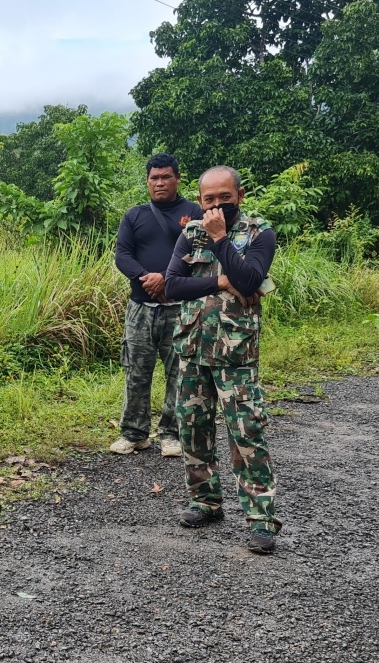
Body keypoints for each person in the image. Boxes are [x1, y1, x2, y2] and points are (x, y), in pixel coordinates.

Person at [160, 166, 280, 554]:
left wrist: (221, 240)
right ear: (200, 200)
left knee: (246, 435)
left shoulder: (260, 233)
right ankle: (205, 501)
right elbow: (172, 285)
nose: (215, 206)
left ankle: (261, 518)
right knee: (193, 429)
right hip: (193, 348)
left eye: (223, 199)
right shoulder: (189, 233)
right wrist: (219, 281)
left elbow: (249, 279)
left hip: (235, 355)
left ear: (239, 196)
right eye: (208, 199)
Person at [111, 153, 204, 457]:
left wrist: (167, 278)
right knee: (136, 370)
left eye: (166, 177)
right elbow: (122, 255)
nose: (160, 182)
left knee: (179, 372)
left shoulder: (194, 212)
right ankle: (134, 433)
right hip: (141, 307)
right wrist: (145, 277)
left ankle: (171, 433)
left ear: (177, 178)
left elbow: (200, 254)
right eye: (154, 177)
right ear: (148, 181)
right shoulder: (134, 215)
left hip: (182, 308)